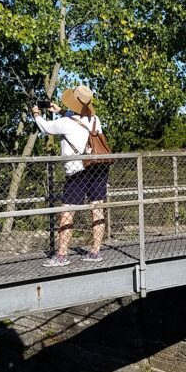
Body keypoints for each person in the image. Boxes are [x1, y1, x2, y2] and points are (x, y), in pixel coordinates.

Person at [32, 84, 109, 267]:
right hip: (98, 168)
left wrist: (36, 114)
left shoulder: (66, 122)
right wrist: (61, 111)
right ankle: (95, 251)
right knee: (97, 208)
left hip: (78, 171)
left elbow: (46, 127)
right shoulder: (95, 119)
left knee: (67, 212)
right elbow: (78, 121)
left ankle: (61, 255)